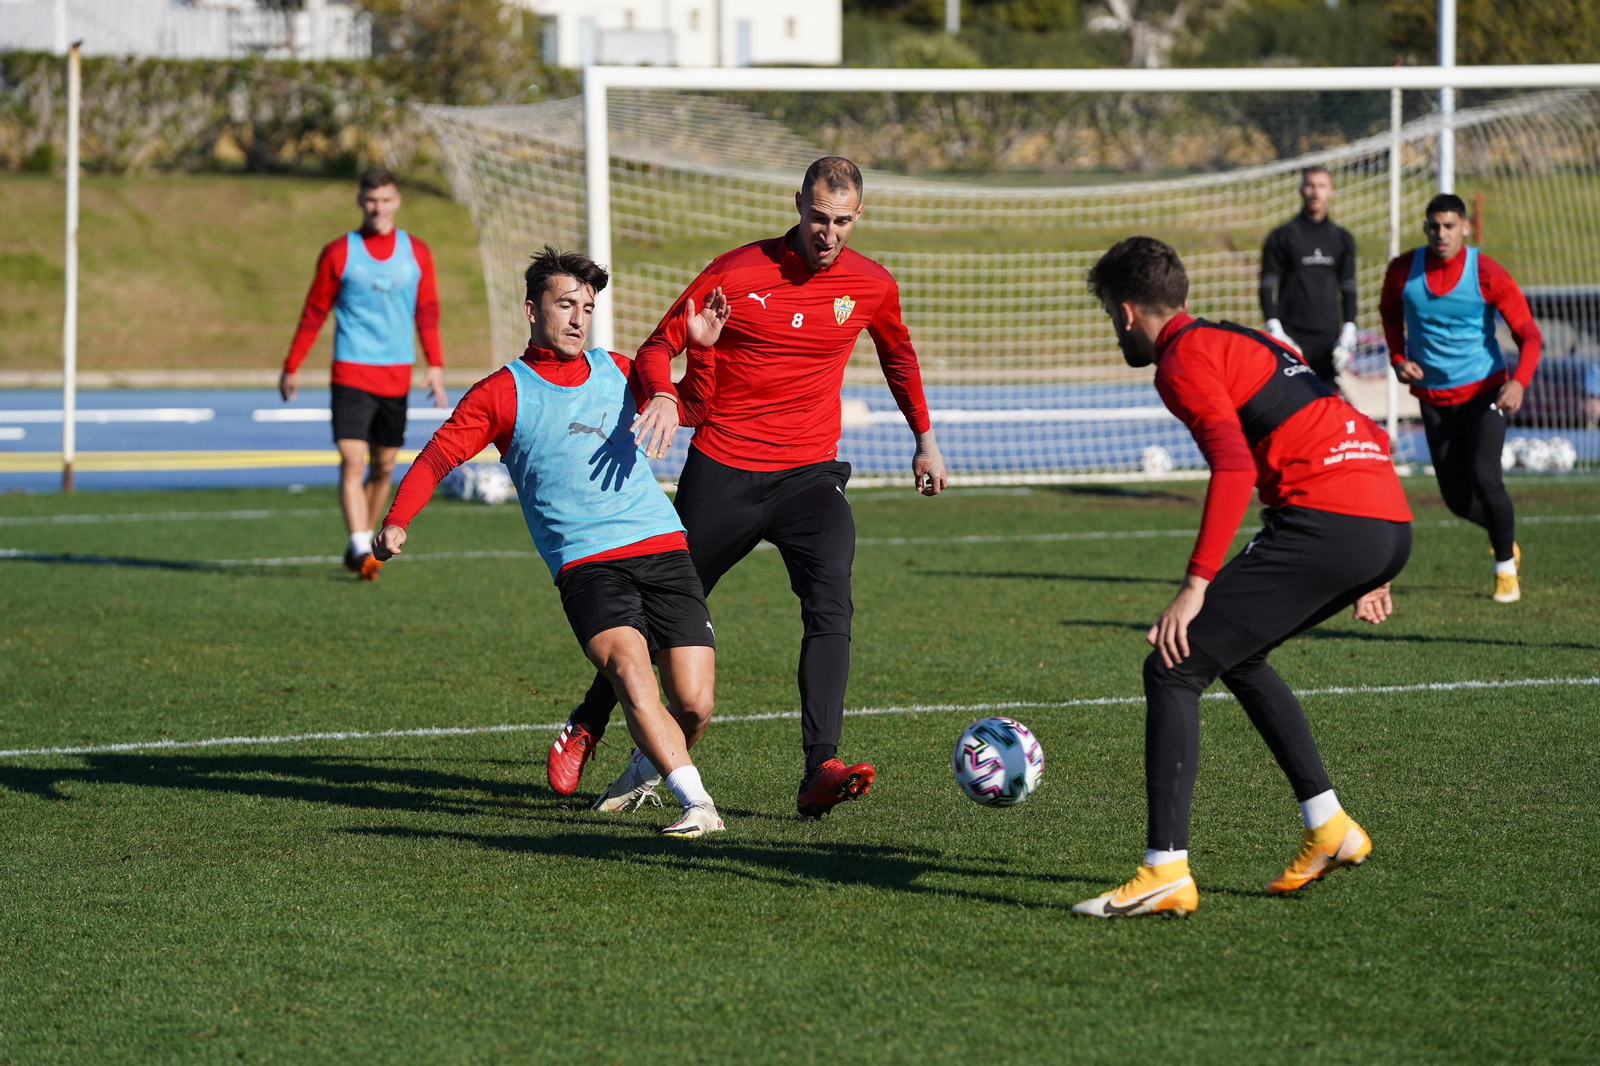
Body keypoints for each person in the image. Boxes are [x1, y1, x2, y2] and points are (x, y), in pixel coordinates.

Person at [546, 156, 948, 819]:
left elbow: (898, 355)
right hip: (724, 471)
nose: (828, 234)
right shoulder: (737, 272)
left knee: (832, 599)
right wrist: (666, 398)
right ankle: (587, 722)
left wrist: (924, 438)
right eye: (817, 218)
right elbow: (656, 346)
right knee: (652, 617)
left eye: (842, 222)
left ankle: (820, 765)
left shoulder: (872, 285)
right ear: (797, 205)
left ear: (859, 217)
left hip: (810, 478)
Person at [1073, 237, 1413, 919]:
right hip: (1381, 519)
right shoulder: (1245, 339)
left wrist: (1195, 585)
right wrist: (1369, 559)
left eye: (1112, 314)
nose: (1117, 328)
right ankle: (1330, 827)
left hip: (1333, 520)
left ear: (1129, 311)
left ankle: (1164, 870)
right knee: (1239, 653)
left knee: (1173, 665)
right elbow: (1351, 422)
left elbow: (1233, 468)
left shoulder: (1180, 361)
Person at [373, 246, 725, 837]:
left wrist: (705, 349)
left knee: (693, 703)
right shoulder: (501, 392)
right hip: (587, 564)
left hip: (662, 544)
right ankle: (698, 805)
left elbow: (692, 406)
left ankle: (646, 770)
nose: (578, 319)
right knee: (632, 672)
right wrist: (397, 518)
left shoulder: (618, 368)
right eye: (566, 304)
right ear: (532, 309)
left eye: (587, 307)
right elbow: (438, 456)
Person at [280, 167, 449, 580]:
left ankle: (364, 542)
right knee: (352, 460)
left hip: (396, 376)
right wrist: (292, 365)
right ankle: (359, 545)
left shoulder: (417, 253)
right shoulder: (339, 252)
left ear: (397, 202)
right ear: (360, 201)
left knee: (384, 466)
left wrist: (436, 365)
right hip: (351, 371)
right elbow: (314, 311)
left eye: (386, 199)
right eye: (371, 200)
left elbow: (426, 312)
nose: (378, 207)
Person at [1379, 193, 1542, 604]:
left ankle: (1505, 568)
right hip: (1434, 397)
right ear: (1425, 228)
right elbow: (1388, 313)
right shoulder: (1403, 271)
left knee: (1485, 477)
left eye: (1450, 225)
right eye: (1434, 226)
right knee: (1454, 499)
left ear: (1465, 228)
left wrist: (1519, 382)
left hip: (1486, 392)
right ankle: (1506, 540)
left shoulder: (1486, 272)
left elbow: (1530, 335)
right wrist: (1398, 358)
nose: (1442, 234)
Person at [1260, 166, 1360, 389]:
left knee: (1326, 410)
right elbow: (1267, 286)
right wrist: (1276, 331)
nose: (1316, 192)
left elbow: (1349, 286)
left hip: (1328, 342)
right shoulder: (1282, 236)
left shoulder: (1342, 238)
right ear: (1301, 190)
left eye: (1322, 186)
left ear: (1331, 191)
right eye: (1310, 185)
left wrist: (1349, 330)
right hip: (1292, 339)